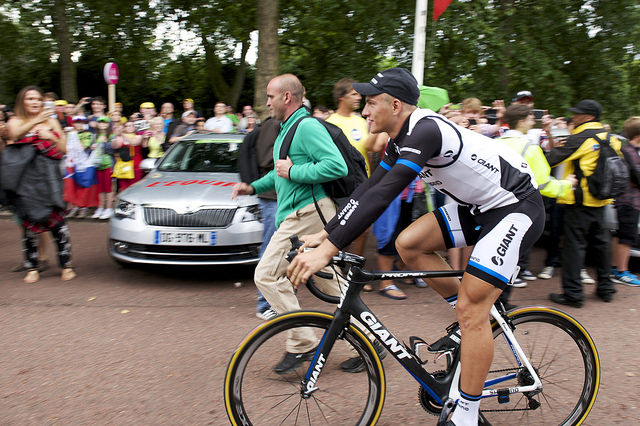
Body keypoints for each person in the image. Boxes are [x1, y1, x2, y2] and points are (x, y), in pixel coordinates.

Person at [286, 67, 544, 425]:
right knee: (409, 243)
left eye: (371, 103)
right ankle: (465, 320)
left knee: (474, 310)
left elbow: (384, 194)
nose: (364, 112)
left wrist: (329, 248)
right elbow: (368, 190)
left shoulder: (426, 130)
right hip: (479, 208)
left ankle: (466, 412)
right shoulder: (398, 140)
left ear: (395, 104)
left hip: (515, 206)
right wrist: (329, 233)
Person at [232, 73, 365, 375]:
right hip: (304, 214)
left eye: (270, 96)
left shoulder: (306, 126)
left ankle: (303, 341)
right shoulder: (286, 130)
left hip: (308, 214)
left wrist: (294, 172)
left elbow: (335, 166)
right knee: (331, 281)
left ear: (287, 97)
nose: (266, 102)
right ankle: (371, 339)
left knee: (266, 275)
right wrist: (251, 187)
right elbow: (281, 173)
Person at [494, 104, 577, 307]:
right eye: (531, 117)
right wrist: (567, 185)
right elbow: (543, 183)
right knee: (511, 257)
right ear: (521, 121)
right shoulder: (528, 147)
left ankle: (488, 301)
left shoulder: (494, 142)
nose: (534, 120)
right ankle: (500, 303)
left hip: (492, 204)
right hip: (518, 207)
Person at [326, 78, 402, 296]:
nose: (358, 98)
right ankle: (338, 273)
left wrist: (371, 178)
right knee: (341, 228)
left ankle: (353, 272)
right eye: (353, 94)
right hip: (339, 185)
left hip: (362, 182)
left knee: (363, 229)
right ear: (342, 97)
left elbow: (369, 150)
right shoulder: (331, 122)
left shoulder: (362, 120)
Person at [546, 99, 620, 307]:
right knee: (601, 245)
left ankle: (573, 294)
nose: (573, 117)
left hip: (580, 200)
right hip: (602, 198)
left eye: (577, 114)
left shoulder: (581, 137)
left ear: (588, 116)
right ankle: (606, 288)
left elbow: (553, 159)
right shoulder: (610, 137)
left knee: (574, 247)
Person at [5, 85, 76, 283]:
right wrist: (37, 122)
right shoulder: (15, 121)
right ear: (22, 102)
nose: (34, 102)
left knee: (59, 224)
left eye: (37, 99)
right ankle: (32, 267)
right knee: (29, 225)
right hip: (26, 182)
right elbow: (14, 135)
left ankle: (66, 265)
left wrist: (50, 135)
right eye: (30, 99)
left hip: (49, 178)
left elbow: (63, 148)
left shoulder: (52, 120)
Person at [237, 116, 281, 320]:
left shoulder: (281, 123)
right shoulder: (273, 125)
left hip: (278, 195)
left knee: (281, 249)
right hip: (273, 196)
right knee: (272, 249)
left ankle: (276, 300)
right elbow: (266, 161)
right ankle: (265, 304)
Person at [611, 116, 640, 286]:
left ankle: (615, 268)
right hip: (629, 200)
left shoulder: (627, 149)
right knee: (627, 237)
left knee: (620, 234)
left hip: (625, 199)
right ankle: (622, 271)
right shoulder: (630, 152)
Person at [92, 116, 115, 219]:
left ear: (108, 124)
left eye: (104, 123)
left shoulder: (111, 136)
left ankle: (108, 208)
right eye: (100, 122)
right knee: (100, 188)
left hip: (108, 164)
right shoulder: (94, 136)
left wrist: (104, 143)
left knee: (108, 188)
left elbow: (112, 151)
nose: (102, 124)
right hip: (97, 165)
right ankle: (100, 207)